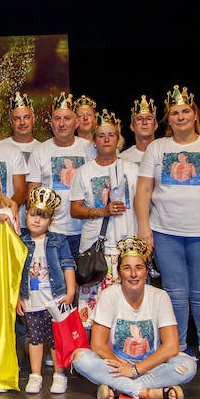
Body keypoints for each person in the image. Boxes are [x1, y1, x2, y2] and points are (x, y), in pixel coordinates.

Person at [132, 85, 200, 379]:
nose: (180, 117)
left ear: (195, 114)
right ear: (168, 118)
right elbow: (143, 189)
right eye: (174, 113)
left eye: (185, 111)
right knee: (175, 295)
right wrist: (144, 227)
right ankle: (176, 349)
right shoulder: (157, 148)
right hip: (165, 231)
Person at [72, 236, 197, 399]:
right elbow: (98, 345)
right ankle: (148, 393)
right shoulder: (109, 295)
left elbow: (171, 346)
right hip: (116, 365)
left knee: (188, 365)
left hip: (151, 366)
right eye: (127, 268)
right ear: (119, 272)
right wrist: (123, 367)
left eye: (139, 267)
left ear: (146, 271)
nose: (133, 274)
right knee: (80, 358)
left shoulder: (160, 297)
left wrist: (135, 370)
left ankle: (118, 389)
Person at [68, 110, 139, 329]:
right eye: (101, 135)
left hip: (126, 245)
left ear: (118, 139)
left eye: (111, 135)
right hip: (95, 249)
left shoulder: (133, 170)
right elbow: (75, 210)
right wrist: (103, 211)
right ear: (95, 140)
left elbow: (143, 205)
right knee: (93, 309)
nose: (106, 139)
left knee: (124, 306)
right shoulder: (84, 172)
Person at [16, 187, 76, 394]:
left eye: (43, 217)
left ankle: (59, 375)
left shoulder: (58, 241)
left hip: (56, 300)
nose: (37, 220)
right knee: (35, 338)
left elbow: (68, 265)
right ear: (26, 215)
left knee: (56, 339)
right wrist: (17, 297)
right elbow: (15, 272)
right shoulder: (21, 241)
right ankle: (35, 375)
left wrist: (70, 291)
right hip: (32, 301)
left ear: (50, 220)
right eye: (33, 214)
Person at [25, 94, 95, 256]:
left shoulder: (90, 149)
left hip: (86, 230)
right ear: (51, 124)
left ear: (76, 122)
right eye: (57, 119)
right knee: (56, 279)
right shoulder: (40, 152)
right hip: (53, 230)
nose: (62, 124)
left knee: (85, 279)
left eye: (67, 118)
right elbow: (32, 195)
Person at [3, 91, 43, 171]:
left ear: (33, 120)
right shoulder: (1, 147)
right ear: (11, 122)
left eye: (26, 117)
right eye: (17, 118)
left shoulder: (42, 149)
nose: (22, 122)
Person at [119, 94, 159, 166]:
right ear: (132, 126)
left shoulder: (165, 153)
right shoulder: (123, 159)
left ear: (155, 125)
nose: (144, 122)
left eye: (148, 119)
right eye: (139, 119)